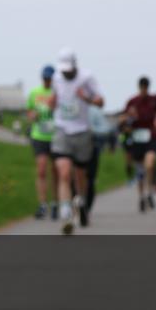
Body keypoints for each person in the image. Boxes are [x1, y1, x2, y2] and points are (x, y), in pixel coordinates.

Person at [47, 48, 104, 234]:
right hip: (62, 129)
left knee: (80, 175)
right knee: (63, 171)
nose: (66, 73)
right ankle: (66, 213)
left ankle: (81, 202)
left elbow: (101, 102)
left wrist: (86, 97)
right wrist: (51, 102)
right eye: (63, 70)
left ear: (75, 65)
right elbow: (54, 99)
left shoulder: (87, 78)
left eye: (68, 70)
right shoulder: (56, 78)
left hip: (82, 131)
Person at [121, 76, 156, 213]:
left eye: (146, 87)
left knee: (149, 164)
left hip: (150, 137)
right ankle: (141, 196)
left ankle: (150, 191)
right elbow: (123, 119)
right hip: (137, 138)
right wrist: (129, 116)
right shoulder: (132, 101)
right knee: (139, 170)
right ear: (139, 87)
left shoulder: (154, 101)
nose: (144, 90)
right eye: (142, 87)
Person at [27, 65, 58, 220]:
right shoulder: (34, 92)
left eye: (49, 79)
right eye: (45, 78)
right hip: (39, 135)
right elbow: (29, 111)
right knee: (41, 170)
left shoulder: (58, 93)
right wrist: (33, 115)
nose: (47, 81)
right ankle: (42, 204)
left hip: (55, 136)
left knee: (55, 171)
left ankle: (55, 203)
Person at [84, 105, 113, 213]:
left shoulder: (94, 111)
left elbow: (105, 128)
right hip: (72, 147)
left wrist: (91, 130)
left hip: (91, 146)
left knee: (90, 178)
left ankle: (87, 207)